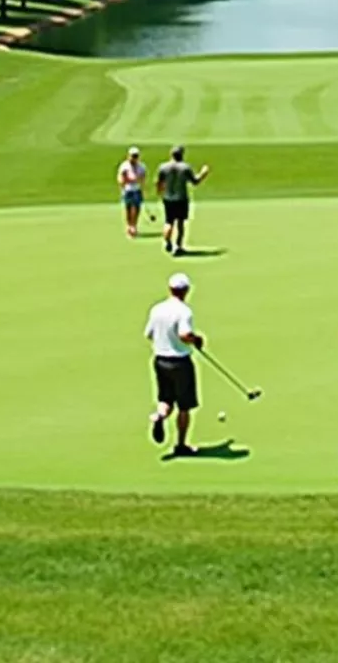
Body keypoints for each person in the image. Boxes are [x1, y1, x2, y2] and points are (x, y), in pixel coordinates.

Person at [144, 273, 203, 456]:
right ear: (185, 291)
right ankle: (181, 445)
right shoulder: (184, 311)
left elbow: (148, 334)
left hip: (160, 360)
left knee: (166, 399)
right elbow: (184, 335)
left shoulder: (157, 309)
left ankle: (159, 416)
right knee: (184, 406)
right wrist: (197, 339)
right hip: (180, 362)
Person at [156, 145, 209, 256]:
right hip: (181, 198)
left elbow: (159, 183)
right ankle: (178, 246)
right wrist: (203, 173)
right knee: (180, 223)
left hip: (168, 198)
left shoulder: (163, 167)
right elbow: (195, 181)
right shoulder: (185, 168)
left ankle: (167, 241)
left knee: (168, 222)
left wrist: (160, 193)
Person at [118, 146, 148, 239]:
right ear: (128, 156)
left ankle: (134, 226)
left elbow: (143, 179)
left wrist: (142, 189)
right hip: (127, 190)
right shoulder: (124, 166)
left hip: (137, 189)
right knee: (128, 208)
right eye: (132, 156)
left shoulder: (141, 166)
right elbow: (120, 179)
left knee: (137, 208)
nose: (134, 158)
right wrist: (123, 187)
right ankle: (129, 225)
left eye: (135, 156)